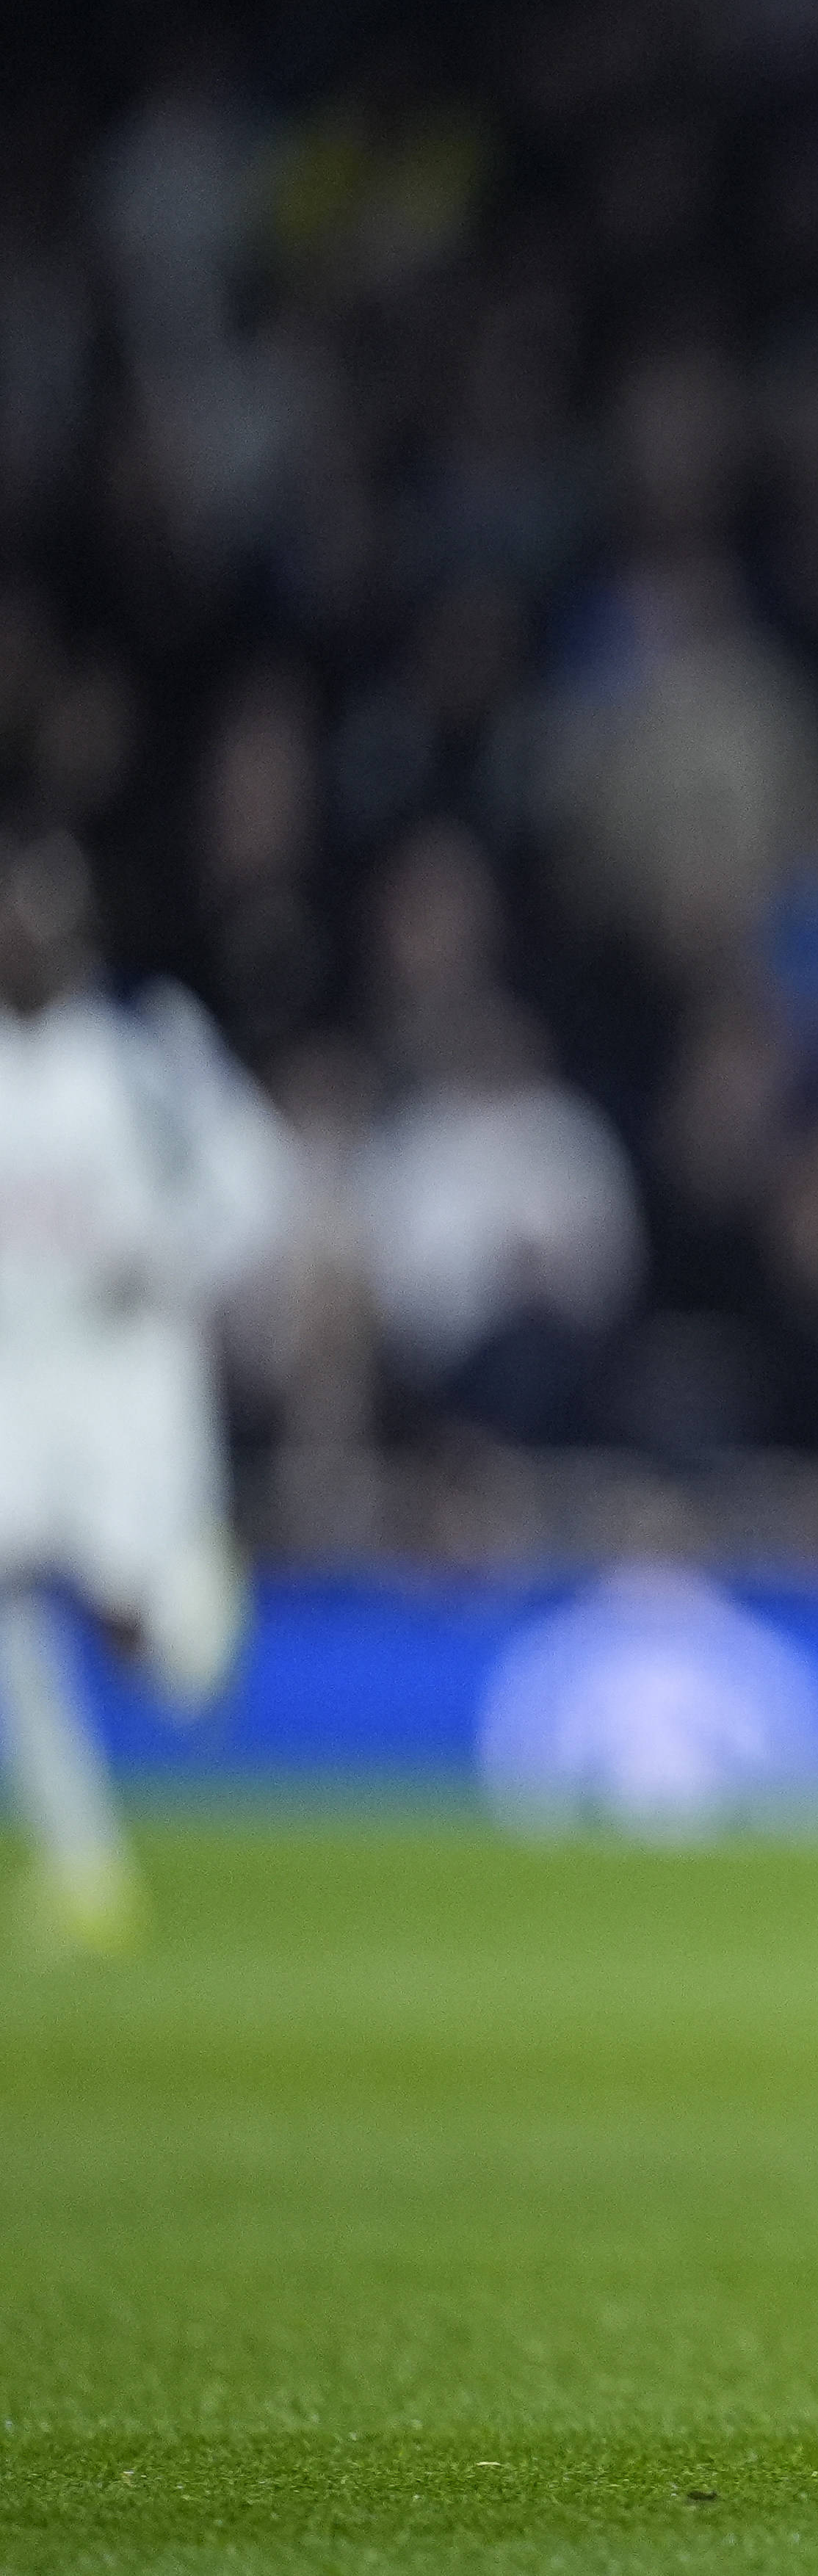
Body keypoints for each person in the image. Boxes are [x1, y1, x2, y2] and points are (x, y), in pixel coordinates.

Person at [0, 835, 292, 1956]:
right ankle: (85, 1866)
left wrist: (171, 1263)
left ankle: (194, 1610)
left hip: (127, 1372)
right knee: (13, 1598)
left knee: (142, 1641)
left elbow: (256, 1179)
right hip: (17, 1372)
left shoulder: (143, 1048)